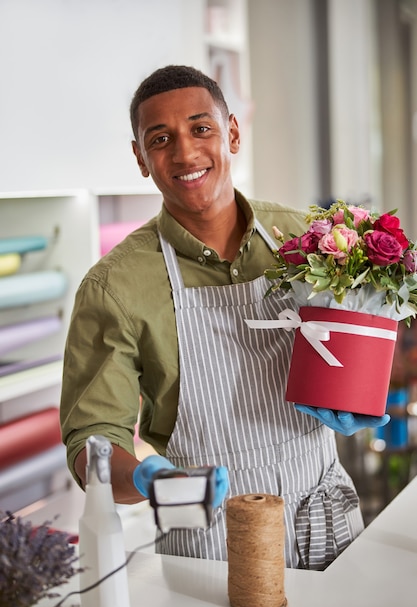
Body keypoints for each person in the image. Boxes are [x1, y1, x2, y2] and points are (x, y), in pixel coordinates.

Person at [60, 65, 390, 570]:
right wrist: (150, 479)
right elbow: (91, 440)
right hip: (210, 541)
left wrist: (360, 394)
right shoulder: (115, 287)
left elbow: (358, 334)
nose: (186, 152)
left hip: (324, 518)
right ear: (140, 158)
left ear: (232, 133)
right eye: (161, 138)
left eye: (201, 128)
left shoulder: (306, 238)